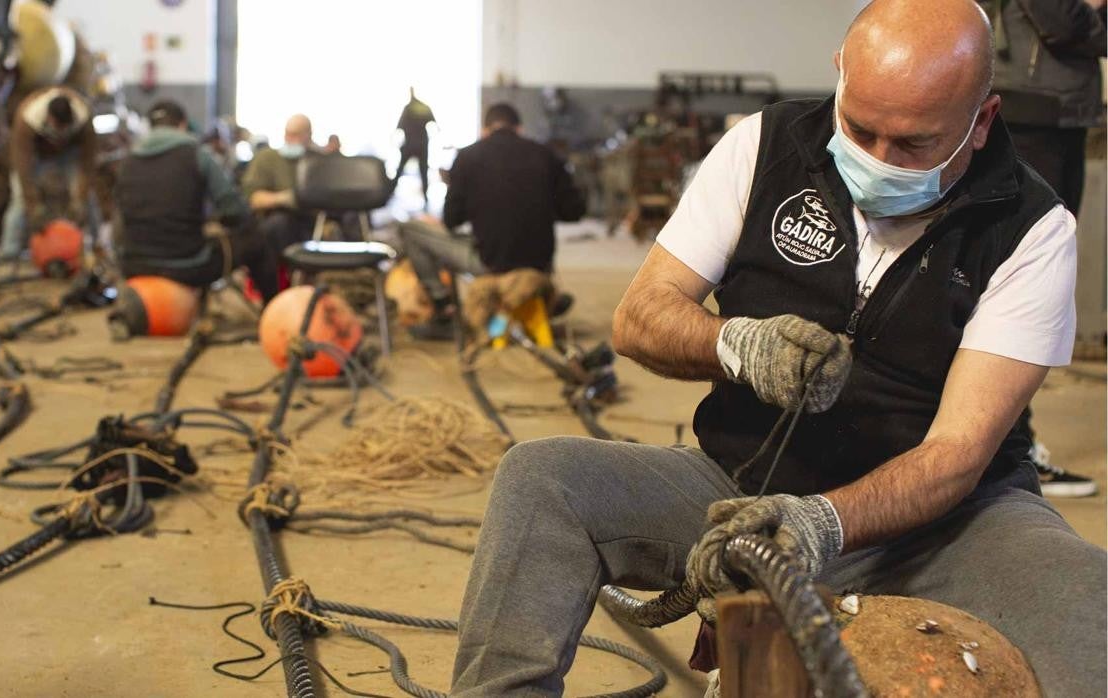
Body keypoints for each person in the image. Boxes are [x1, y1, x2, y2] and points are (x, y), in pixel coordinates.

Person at [450, 2, 1105, 697]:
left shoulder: (1031, 228)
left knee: (1085, 602)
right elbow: (640, 317)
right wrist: (737, 344)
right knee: (543, 480)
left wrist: (823, 521)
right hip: (743, 491)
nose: (878, 161)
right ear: (840, 76)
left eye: (912, 144)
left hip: (944, 528)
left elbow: (955, 457)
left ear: (981, 122)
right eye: (860, 129)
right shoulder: (764, 146)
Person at [981, 0, 1106, 497]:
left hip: (1056, 112)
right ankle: (1012, 450)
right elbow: (1063, 23)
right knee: (1019, 273)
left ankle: (1012, 446)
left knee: (1032, 271)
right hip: (1034, 112)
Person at [398, 103, 585, 340]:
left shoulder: (467, 157)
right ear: (520, 128)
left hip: (490, 261)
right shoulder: (546, 155)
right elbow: (575, 211)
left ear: (484, 130)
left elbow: (452, 220)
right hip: (540, 263)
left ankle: (442, 308)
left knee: (410, 230)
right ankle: (534, 307)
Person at [113, 100, 283, 302]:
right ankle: (271, 311)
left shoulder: (128, 161)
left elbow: (118, 223)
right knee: (257, 241)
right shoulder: (197, 154)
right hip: (187, 265)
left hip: (134, 266)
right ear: (183, 124)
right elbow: (233, 209)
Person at [0, 86, 97, 267]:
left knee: (87, 199)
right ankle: (9, 252)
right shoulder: (27, 119)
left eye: (65, 128)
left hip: (70, 153)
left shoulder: (84, 117)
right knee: (19, 201)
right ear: (49, 118)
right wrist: (34, 206)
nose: (60, 132)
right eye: (58, 127)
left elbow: (87, 163)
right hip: (36, 153)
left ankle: (95, 246)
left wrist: (79, 197)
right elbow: (22, 167)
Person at [241, 113, 320, 262]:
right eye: (288, 134)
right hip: (280, 222)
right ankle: (281, 278)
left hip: (315, 221)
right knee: (279, 224)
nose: (290, 139)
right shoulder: (267, 159)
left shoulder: (319, 162)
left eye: (296, 135)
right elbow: (253, 199)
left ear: (309, 135)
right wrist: (287, 198)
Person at [394, 87, 436, 204]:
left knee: (402, 170)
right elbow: (434, 124)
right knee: (422, 172)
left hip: (411, 144)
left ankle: (390, 192)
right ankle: (425, 197)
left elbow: (399, 126)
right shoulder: (423, 107)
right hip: (422, 144)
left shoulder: (409, 108)